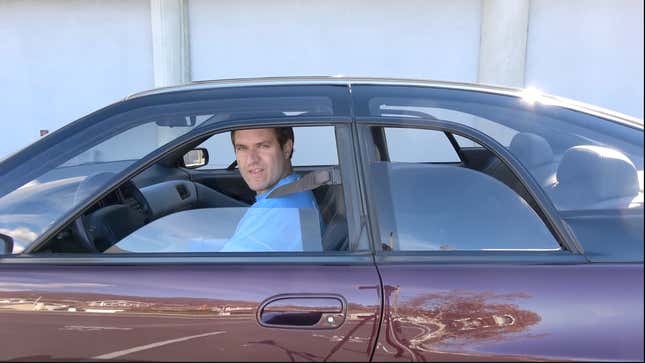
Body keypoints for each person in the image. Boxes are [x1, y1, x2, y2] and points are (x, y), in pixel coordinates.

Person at [219, 127, 321, 252]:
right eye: (242, 148)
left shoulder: (276, 211)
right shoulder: (295, 187)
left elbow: (218, 269)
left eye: (263, 146)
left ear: (286, 149)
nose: (251, 160)